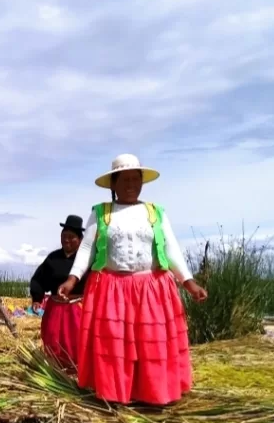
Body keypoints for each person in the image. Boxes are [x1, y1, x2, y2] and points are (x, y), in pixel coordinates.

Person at [57, 154, 207, 406]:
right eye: (124, 179)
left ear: (142, 183)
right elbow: (86, 250)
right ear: (113, 184)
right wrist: (72, 279)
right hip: (111, 289)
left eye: (135, 179)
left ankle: (153, 393)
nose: (130, 184)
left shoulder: (155, 212)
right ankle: (116, 394)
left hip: (151, 289)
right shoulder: (101, 213)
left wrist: (189, 282)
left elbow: (171, 248)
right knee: (115, 345)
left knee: (151, 344)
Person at [29, 215, 87, 369]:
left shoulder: (85, 260)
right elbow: (38, 279)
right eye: (64, 236)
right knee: (53, 338)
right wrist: (37, 298)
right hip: (55, 308)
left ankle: (77, 370)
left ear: (80, 240)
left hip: (77, 309)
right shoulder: (53, 258)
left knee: (76, 340)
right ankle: (56, 369)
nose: (66, 240)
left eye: (71, 237)